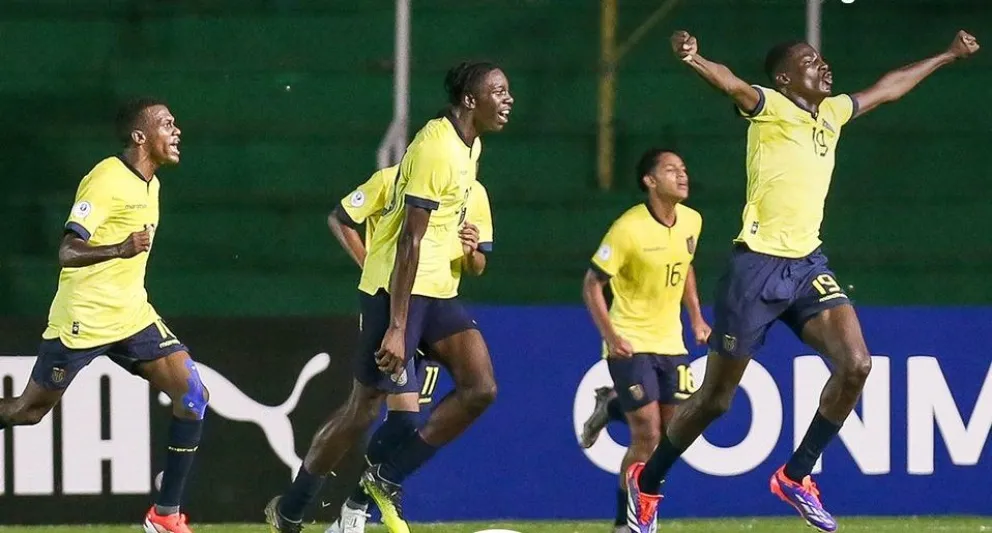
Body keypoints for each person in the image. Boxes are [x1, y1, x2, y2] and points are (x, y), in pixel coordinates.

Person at [624, 30, 980, 533]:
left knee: (856, 364)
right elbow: (731, 84)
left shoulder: (832, 113)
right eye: (811, 62)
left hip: (807, 265)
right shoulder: (768, 106)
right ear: (786, 77)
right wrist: (694, 58)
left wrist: (945, 54)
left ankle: (795, 476)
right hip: (757, 268)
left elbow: (889, 88)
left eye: (821, 59)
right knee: (716, 400)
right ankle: (649, 482)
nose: (823, 65)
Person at [265, 61, 513, 533]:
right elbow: (409, 242)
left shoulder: (470, 145)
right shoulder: (435, 147)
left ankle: (383, 478)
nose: (508, 99)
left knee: (481, 388)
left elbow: (450, 244)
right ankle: (293, 509)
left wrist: (467, 248)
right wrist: (398, 327)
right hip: (395, 292)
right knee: (362, 412)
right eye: (498, 91)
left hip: (437, 288)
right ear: (469, 100)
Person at [0, 98, 207, 533]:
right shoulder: (106, 180)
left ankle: (164, 515)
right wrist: (118, 248)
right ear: (139, 136)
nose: (176, 130)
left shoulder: (151, 183)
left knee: (193, 397)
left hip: (132, 316)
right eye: (166, 123)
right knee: (26, 412)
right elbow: (66, 250)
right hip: (83, 321)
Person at [324, 165, 494, 533]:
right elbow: (341, 219)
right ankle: (334, 504)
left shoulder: (474, 194)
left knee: (418, 417)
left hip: (436, 311)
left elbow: (479, 263)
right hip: (392, 311)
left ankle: (358, 503)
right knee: (389, 414)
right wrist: (373, 268)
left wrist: (470, 252)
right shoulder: (394, 181)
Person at [581, 149, 710, 533]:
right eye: (671, 170)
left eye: (684, 169)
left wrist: (697, 318)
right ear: (649, 182)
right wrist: (611, 336)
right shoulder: (628, 229)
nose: (682, 176)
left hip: (671, 342)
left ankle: (612, 407)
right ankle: (627, 522)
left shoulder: (692, 221)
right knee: (647, 434)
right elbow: (592, 284)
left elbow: (685, 267)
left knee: (672, 435)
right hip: (631, 342)